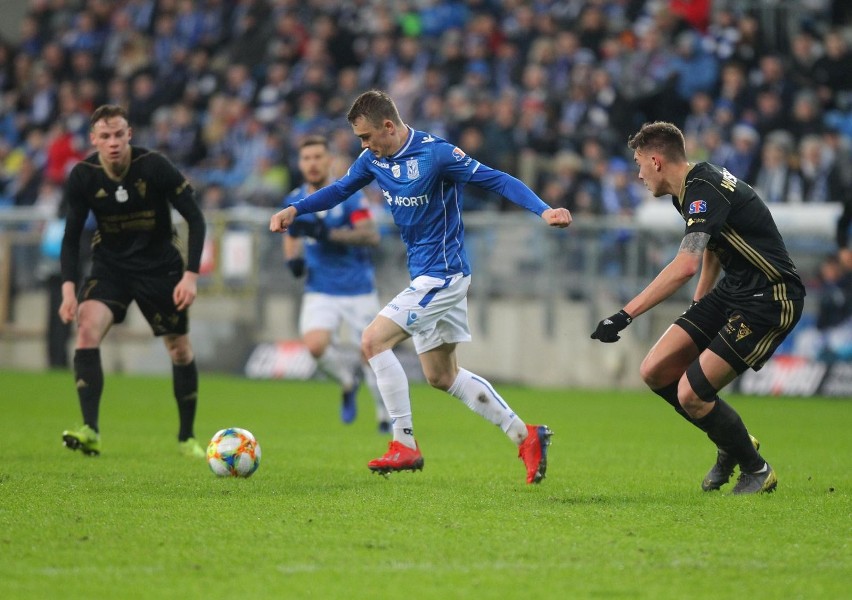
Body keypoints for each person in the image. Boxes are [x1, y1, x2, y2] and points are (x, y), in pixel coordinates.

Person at [270, 90, 572, 484]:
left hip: (444, 274)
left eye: (366, 137)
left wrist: (544, 209)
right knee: (442, 376)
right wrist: (297, 209)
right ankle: (526, 435)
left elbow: (496, 180)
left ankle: (404, 443)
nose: (363, 146)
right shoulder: (372, 160)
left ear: (389, 127)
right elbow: (340, 189)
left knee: (372, 341)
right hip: (427, 276)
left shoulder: (437, 154)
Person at [591, 121, 806, 495]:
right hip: (731, 291)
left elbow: (685, 264)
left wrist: (625, 314)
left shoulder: (702, 190)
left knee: (692, 394)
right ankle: (733, 442)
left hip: (769, 298)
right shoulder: (687, 188)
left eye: (639, 164)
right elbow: (712, 246)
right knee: (655, 370)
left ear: (656, 161)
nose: (638, 174)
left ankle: (756, 469)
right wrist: (699, 304)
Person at [58, 104, 207, 458]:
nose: (113, 143)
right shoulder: (83, 176)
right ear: (93, 139)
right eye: (105, 136)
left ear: (129, 136)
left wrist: (190, 275)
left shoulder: (154, 166)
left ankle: (186, 436)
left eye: (119, 135)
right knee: (87, 328)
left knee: (179, 350)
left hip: (160, 269)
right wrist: (68, 288)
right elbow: (70, 237)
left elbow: (196, 219)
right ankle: (90, 429)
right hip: (111, 266)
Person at [282, 134, 390, 432]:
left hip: (358, 287)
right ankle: (346, 379)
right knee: (315, 346)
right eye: (306, 158)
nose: (312, 164)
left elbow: (371, 235)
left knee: (371, 353)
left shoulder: (350, 195)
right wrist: (293, 260)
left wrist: (327, 234)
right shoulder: (294, 200)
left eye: (318, 157)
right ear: (300, 164)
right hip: (320, 288)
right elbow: (290, 235)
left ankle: (384, 414)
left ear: (329, 160)